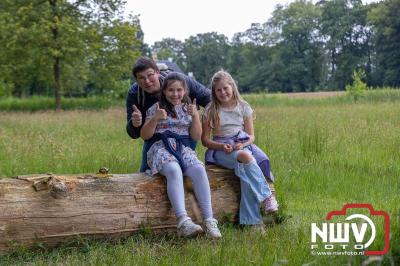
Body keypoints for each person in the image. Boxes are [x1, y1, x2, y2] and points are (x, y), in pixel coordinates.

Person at [140, 72, 222, 238]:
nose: (175, 94)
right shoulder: (155, 108)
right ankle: (183, 221)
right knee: (173, 170)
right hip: (159, 147)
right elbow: (145, 135)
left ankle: (209, 220)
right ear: (164, 91)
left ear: (185, 91)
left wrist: (195, 116)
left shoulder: (188, 109)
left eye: (179, 90)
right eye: (171, 90)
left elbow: (195, 137)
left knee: (199, 169)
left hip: (182, 147)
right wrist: (155, 119)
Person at [201, 70, 278, 233]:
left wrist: (243, 145)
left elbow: (251, 136)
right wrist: (221, 147)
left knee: (245, 170)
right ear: (214, 92)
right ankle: (267, 196)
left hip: (241, 145)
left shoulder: (243, 107)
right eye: (218, 90)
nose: (223, 92)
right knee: (246, 157)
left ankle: (252, 224)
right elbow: (205, 140)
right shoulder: (211, 110)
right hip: (221, 150)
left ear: (232, 87)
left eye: (225, 88)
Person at [125, 57, 211, 172]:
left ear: (157, 72)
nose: (147, 81)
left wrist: (208, 120)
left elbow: (209, 99)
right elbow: (133, 133)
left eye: (150, 75)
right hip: (156, 141)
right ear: (136, 79)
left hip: (185, 139)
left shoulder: (179, 80)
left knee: (187, 170)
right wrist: (135, 123)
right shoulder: (134, 94)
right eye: (141, 77)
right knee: (146, 173)